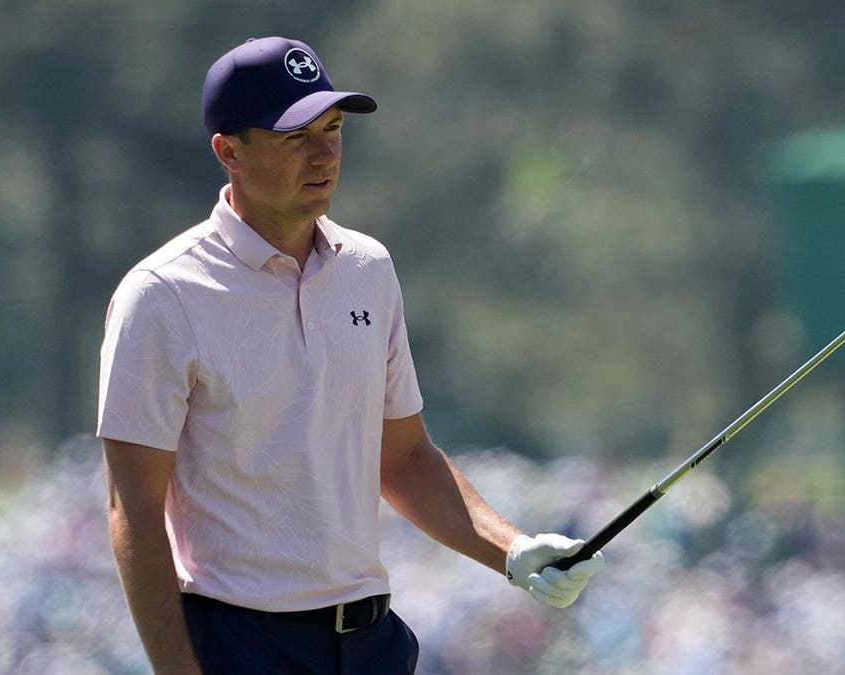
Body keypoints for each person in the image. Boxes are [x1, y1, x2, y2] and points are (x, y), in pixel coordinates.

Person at [97, 36, 605, 674]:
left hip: (371, 642)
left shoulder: (369, 268)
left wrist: (513, 549)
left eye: (333, 128)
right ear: (229, 150)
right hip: (242, 645)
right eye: (294, 136)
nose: (325, 153)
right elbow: (135, 510)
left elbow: (404, 457)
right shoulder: (163, 295)